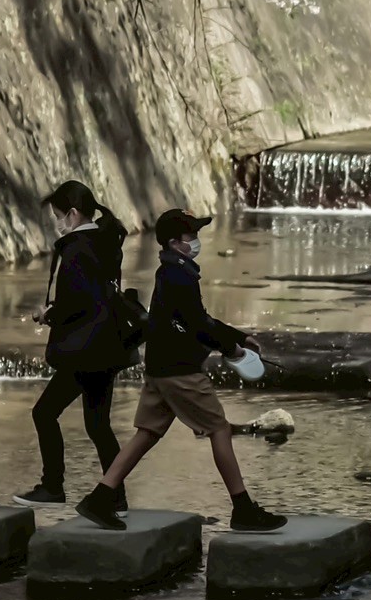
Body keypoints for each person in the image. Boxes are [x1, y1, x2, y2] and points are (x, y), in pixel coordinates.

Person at [75, 209, 285, 531]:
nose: (197, 242)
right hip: (179, 372)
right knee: (219, 429)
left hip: (159, 370)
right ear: (175, 243)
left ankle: (101, 498)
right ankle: (243, 510)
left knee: (146, 434)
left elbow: (195, 319)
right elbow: (199, 324)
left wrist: (237, 338)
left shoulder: (171, 270)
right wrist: (233, 346)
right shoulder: (179, 275)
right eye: (192, 237)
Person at [16, 181, 134, 507]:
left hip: (87, 351)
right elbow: (96, 295)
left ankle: (52, 487)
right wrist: (56, 310)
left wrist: (48, 315)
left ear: (71, 213)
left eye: (57, 215)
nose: (56, 222)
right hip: (107, 347)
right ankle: (116, 497)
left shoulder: (78, 248)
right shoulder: (106, 240)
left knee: (44, 413)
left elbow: (76, 302)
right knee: (98, 426)